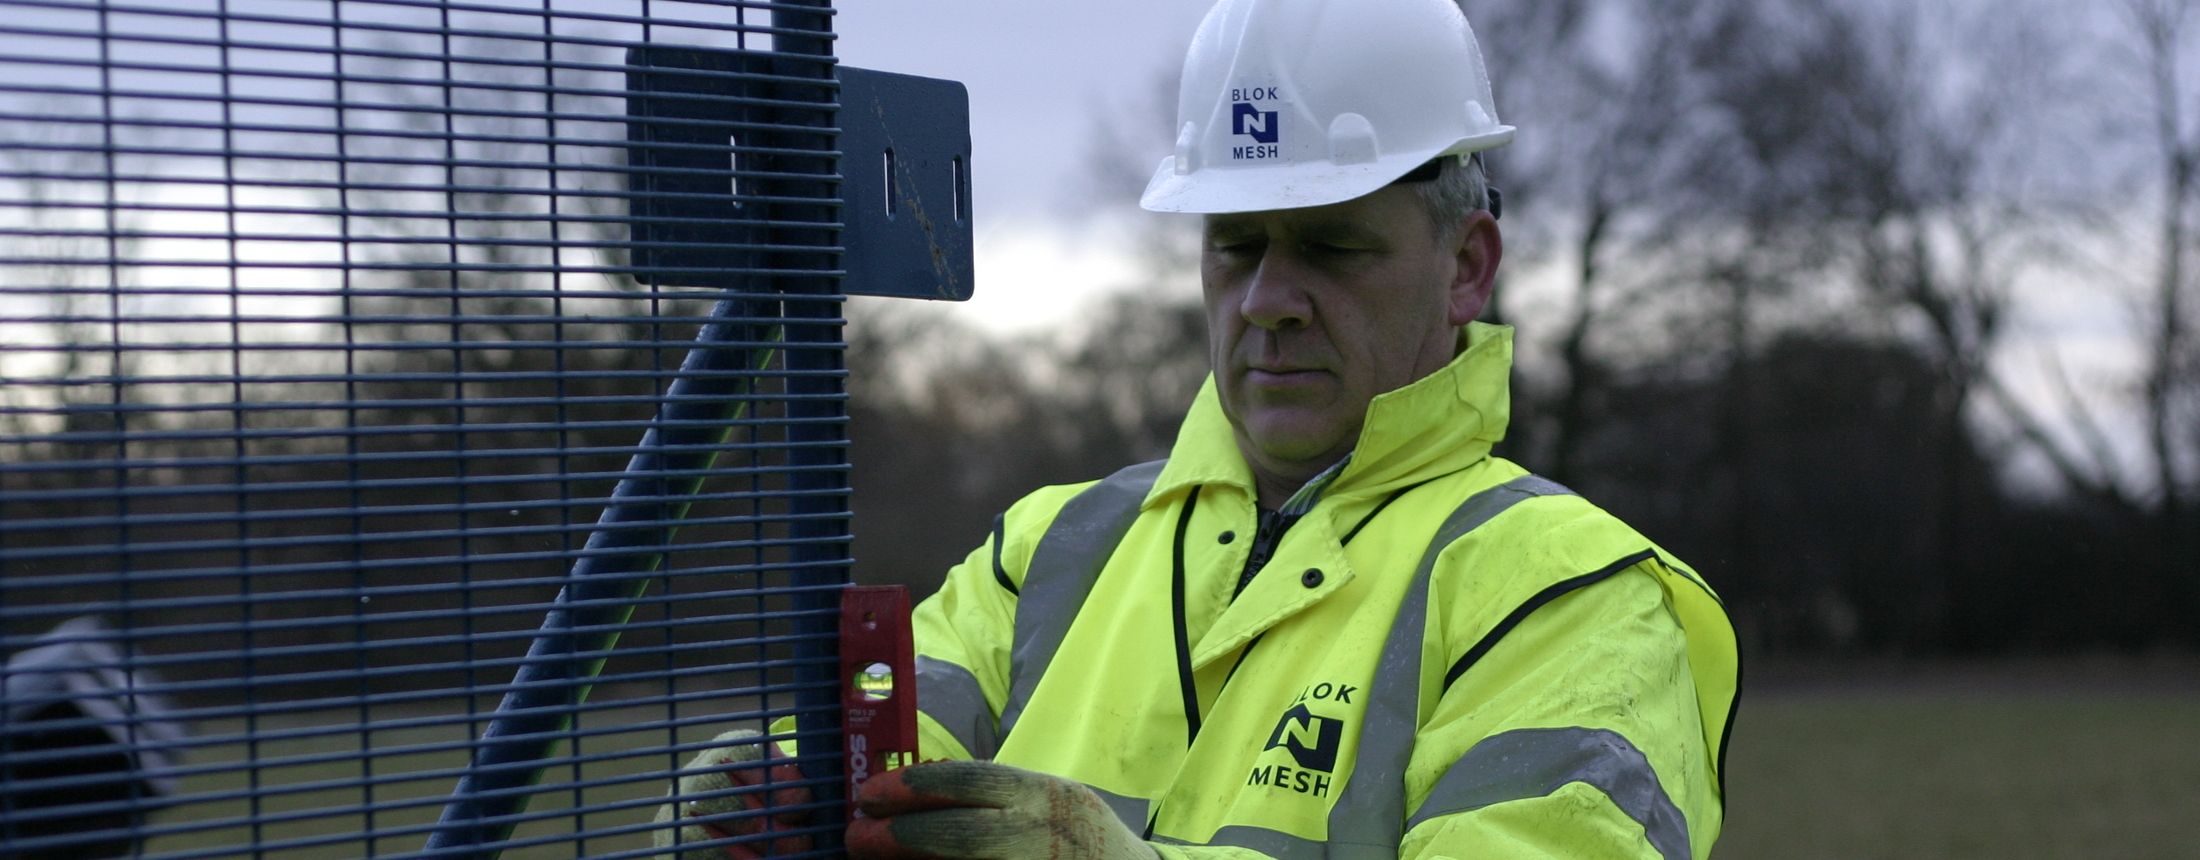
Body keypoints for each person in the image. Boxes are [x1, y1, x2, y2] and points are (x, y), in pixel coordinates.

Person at [656, 0, 1739, 857]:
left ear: (1466, 266)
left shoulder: (1574, 599)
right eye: (1235, 245)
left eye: (1331, 246)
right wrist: (746, 812)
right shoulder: (1051, 550)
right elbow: (852, 778)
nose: (1268, 297)